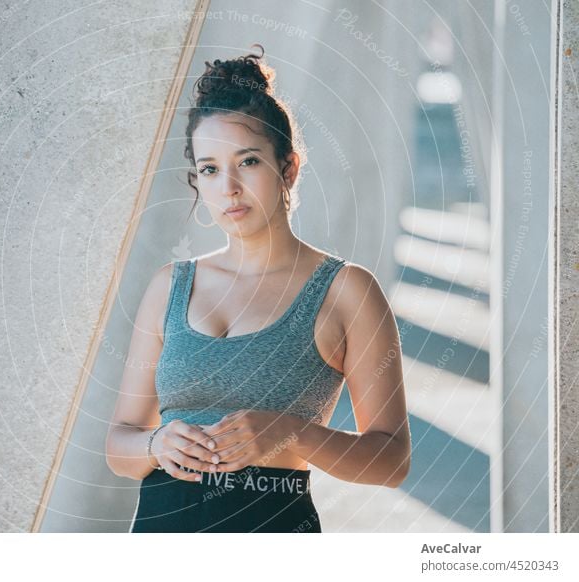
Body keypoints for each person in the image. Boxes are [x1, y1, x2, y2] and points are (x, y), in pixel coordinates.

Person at [105, 44, 411, 533]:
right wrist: (153, 444)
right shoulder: (169, 286)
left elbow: (392, 461)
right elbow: (120, 446)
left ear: (287, 168)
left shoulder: (346, 291)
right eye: (209, 168)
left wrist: (293, 434)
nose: (227, 187)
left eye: (247, 162)